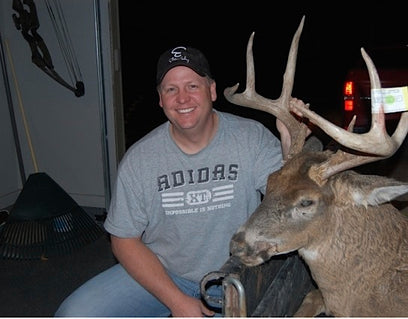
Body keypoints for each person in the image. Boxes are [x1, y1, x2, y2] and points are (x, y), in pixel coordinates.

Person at [55, 45, 292, 317]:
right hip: (165, 273)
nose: (182, 98)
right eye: (171, 89)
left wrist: (289, 144)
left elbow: (287, 198)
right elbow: (123, 239)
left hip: (234, 278)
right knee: (74, 314)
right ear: (160, 99)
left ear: (212, 90)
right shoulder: (140, 159)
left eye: (192, 86)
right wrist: (176, 301)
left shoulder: (251, 139)